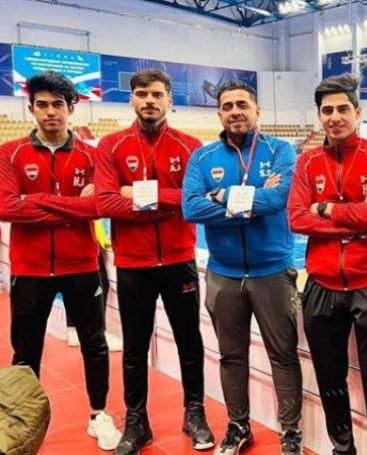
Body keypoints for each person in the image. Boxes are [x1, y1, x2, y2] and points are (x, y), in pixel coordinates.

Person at [95, 69, 214, 455]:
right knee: (134, 348)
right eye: (142, 94)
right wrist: (168, 200)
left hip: (179, 260)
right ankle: (137, 421)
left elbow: (194, 201)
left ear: (169, 101)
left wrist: (137, 195)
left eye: (157, 94)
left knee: (189, 343)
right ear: (132, 99)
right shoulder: (110, 146)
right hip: (133, 263)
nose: (150, 100)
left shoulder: (191, 146)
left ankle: (194, 412)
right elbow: (106, 203)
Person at [0, 70, 121, 450]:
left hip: (82, 265)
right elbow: (6, 207)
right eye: (42, 104)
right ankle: (20, 425)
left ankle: (99, 414)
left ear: (71, 108)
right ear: (31, 108)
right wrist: (73, 206)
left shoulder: (92, 155)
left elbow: (101, 205)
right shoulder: (10, 153)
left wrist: (33, 202)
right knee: (25, 351)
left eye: (57, 104)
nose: (50, 111)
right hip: (29, 268)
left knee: (94, 344)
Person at [182, 81, 303, 455]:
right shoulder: (203, 158)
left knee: (283, 356)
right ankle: (238, 426)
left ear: (257, 110)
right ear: (219, 113)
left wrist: (219, 197)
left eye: (242, 104)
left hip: (273, 271)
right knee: (232, 356)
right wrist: (250, 204)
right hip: (224, 273)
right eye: (227, 106)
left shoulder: (280, 150)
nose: (235, 111)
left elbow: (278, 199)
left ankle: (290, 432)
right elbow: (191, 207)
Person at [288, 73, 367, 455]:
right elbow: (297, 218)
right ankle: (343, 450)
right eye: (327, 110)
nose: (335, 117)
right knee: (330, 382)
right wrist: (357, 216)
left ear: (358, 112)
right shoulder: (307, 161)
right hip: (321, 285)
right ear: (319, 115)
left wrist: (326, 209)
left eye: (342, 109)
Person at [65, 218, 122, 352]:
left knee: (74, 281)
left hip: (75, 235)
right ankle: (98, 333)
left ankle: (74, 329)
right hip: (85, 236)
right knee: (98, 283)